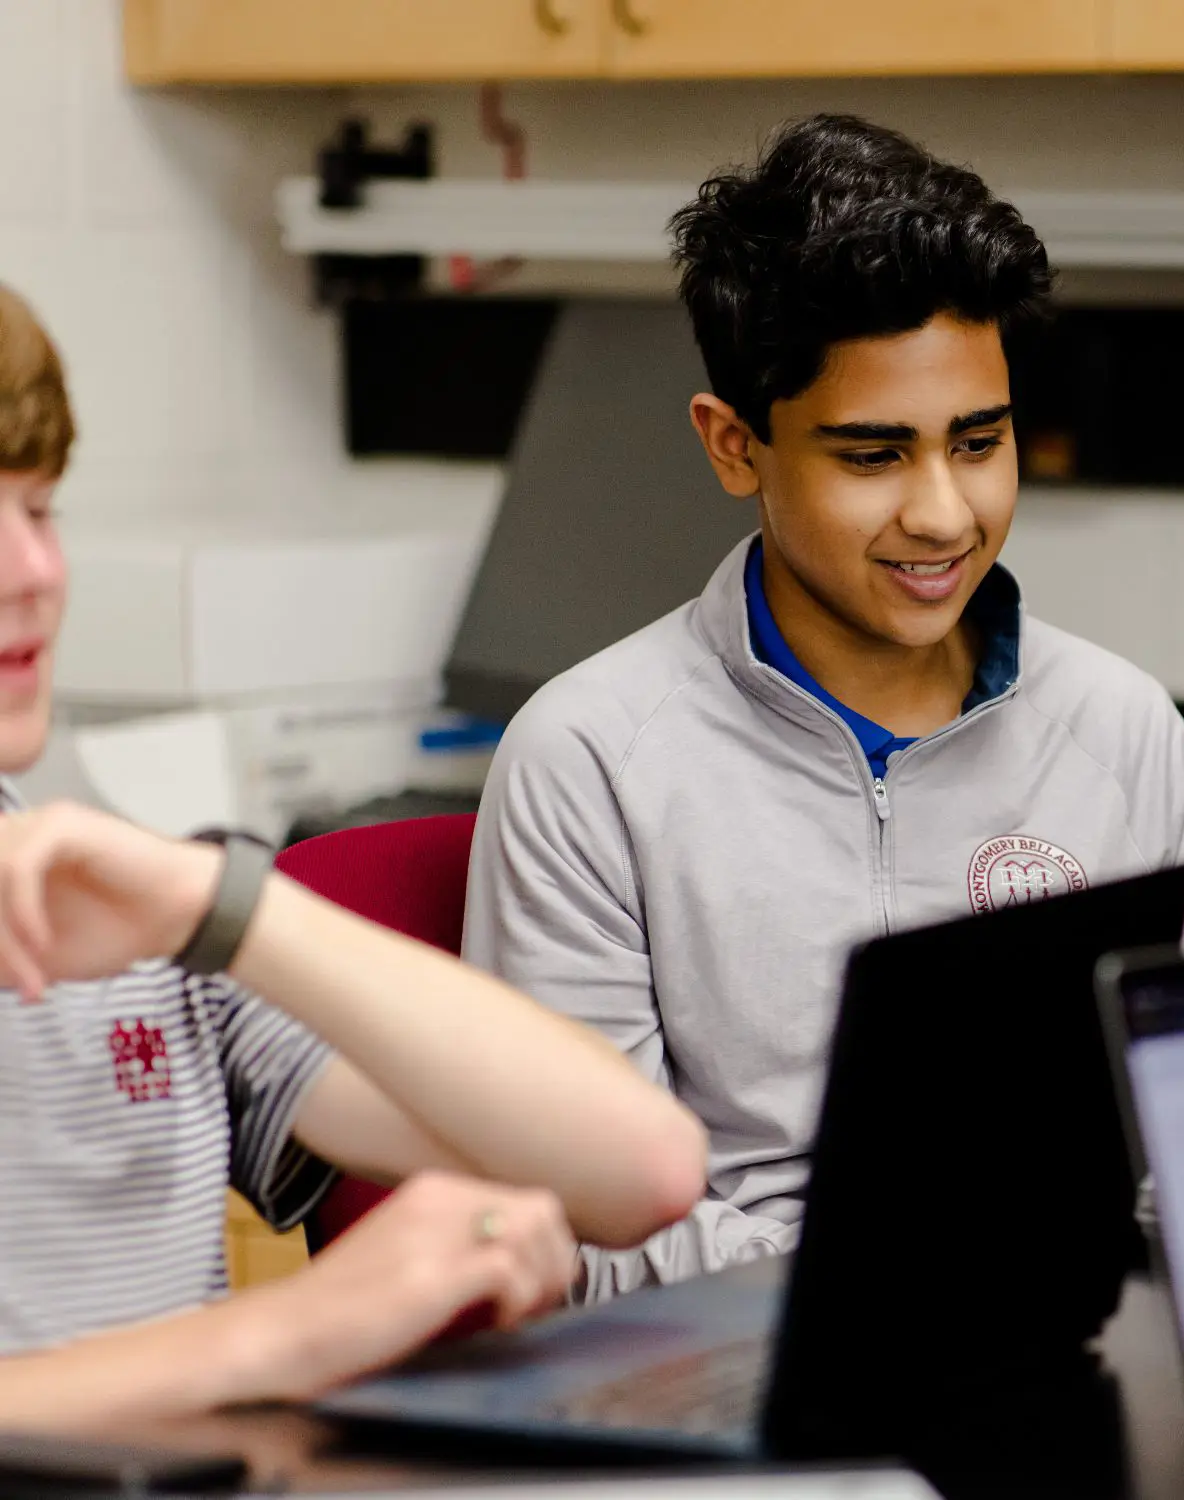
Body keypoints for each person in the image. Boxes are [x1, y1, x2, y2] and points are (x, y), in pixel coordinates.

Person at [464, 114, 1184, 1301]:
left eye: (977, 442)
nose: (942, 514)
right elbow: (583, 1222)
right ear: (736, 446)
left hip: (1077, 1344)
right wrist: (895, 1299)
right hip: (737, 1386)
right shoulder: (590, 760)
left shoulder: (1120, 728)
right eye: (873, 456)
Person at [0, 281, 708, 1428]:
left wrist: (221, 902)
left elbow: (641, 1169)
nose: (34, 574)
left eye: (41, 510)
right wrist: (287, 1334)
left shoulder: (124, 912)